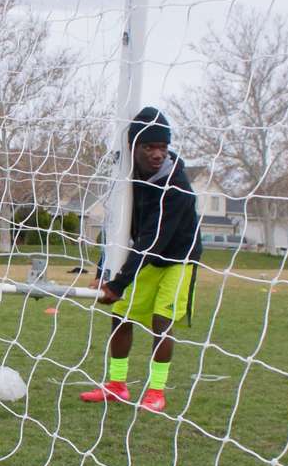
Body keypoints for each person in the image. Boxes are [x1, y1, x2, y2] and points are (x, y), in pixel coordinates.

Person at [83, 107, 201, 413]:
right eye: (149, 147)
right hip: (143, 253)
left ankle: (156, 390)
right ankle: (117, 386)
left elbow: (154, 239)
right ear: (133, 147)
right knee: (121, 316)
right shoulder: (123, 177)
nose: (158, 154)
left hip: (177, 258)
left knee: (161, 322)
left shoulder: (177, 187)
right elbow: (115, 226)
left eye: (163, 147)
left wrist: (119, 282)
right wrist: (102, 270)